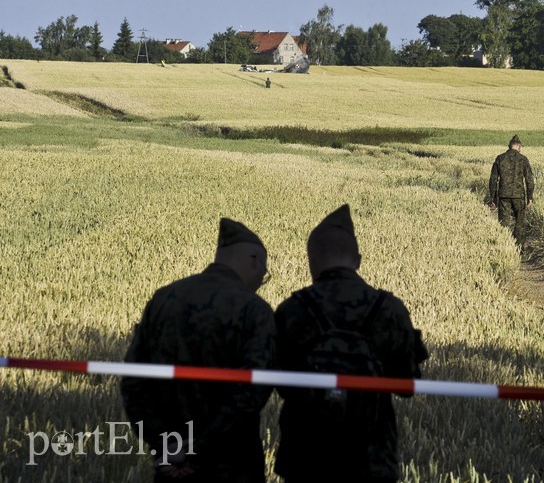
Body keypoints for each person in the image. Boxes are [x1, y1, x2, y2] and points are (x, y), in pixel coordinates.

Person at [274, 204, 428, 482]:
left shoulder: (292, 310)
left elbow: (279, 382)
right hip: (371, 461)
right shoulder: (388, 309)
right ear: (358, 260)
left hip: (305, 459)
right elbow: (407, 385)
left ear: (311, 260)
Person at [121, 218, 276, 482]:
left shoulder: (163, 299)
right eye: (264, 270)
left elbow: (133, 382)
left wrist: (167, 445)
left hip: (171, 467)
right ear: (254, 260)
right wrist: (199, 450)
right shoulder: (254, 310)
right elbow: (251, 393)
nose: (262, 277)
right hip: (233, 468)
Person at [488, 134, 535, 246]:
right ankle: (519, 248)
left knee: (504, 222)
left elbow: (493, 179)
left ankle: (504, 246)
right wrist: (530, 197)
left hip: (504, 195)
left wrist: (493, 196)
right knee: (520, 222)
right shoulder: (523, 159)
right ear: (519, 147)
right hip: (519, 196)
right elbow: (529, 180)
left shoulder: (500, 158)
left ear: (509, 146)